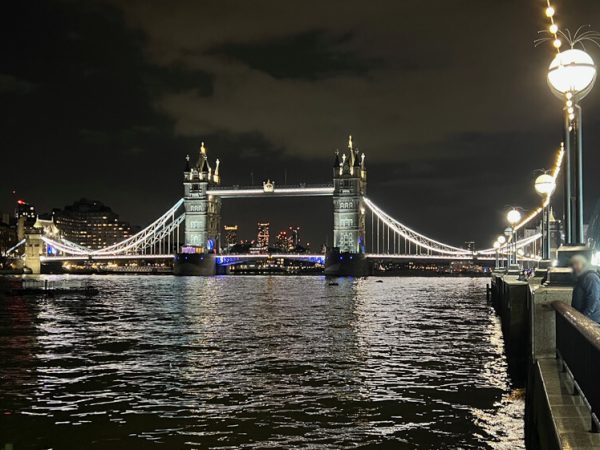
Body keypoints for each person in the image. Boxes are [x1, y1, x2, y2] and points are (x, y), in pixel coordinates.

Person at [570, 254, 600, 324]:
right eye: (573, 264)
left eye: (577, 264)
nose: (574, 266)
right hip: (586, 317)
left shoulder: (591, 277)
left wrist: (584, 316)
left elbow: (593, 299)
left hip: (592, 319)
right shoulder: (582, 277)